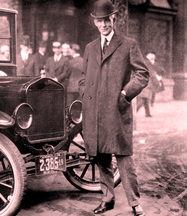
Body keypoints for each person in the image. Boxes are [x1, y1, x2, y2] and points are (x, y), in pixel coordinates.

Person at [78, 0, 149, 215]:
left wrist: (126, 94)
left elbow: (142, 74)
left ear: (113, 19)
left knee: (124, 159)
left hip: (117, 111)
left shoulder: (128, 44)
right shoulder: (90, 48)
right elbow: (83, 78)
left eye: (106, 20)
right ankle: (107, 199)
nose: (103, 25)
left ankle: (135, 203)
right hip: (94, 112)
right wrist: (85, 94)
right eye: (99, 21)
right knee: (101, 159)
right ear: (95, 23)